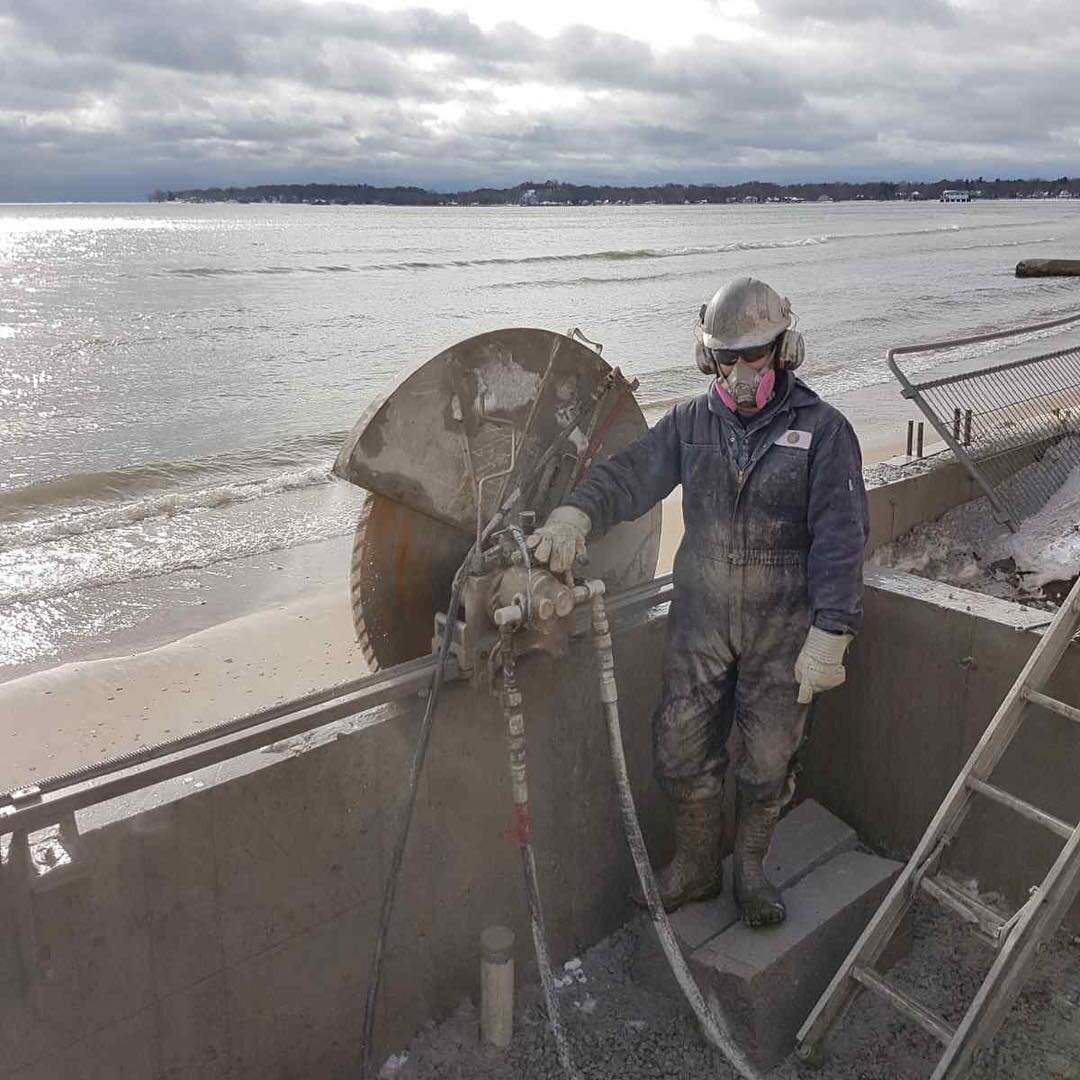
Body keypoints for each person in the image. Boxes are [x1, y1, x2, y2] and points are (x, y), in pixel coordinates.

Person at [527, 276, 869, 927]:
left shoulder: (823, 433)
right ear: (706, 357)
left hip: (783, 628)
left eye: (754, 355)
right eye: (726, 357)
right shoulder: (690, 424)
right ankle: (696, 864)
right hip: (701, 621)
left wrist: (833, 628)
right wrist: (576, 512)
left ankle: (749, 869)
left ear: (785, 348)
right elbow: (631, 475)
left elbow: (842, 537)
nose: (740, 371)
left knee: (769, 758)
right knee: (680, 748)